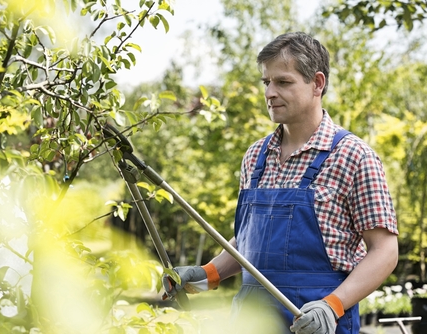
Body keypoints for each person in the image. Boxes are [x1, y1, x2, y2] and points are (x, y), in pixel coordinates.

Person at [162, 32, 399, 334]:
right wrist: (207, 273)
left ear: (317, 83)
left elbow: (385, 251)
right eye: (266, 82)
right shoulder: (255, 157)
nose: (270, 93)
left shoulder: (353, 156)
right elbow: (250, 242)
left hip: (316, 323)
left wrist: (333, 305)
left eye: (283, 82)